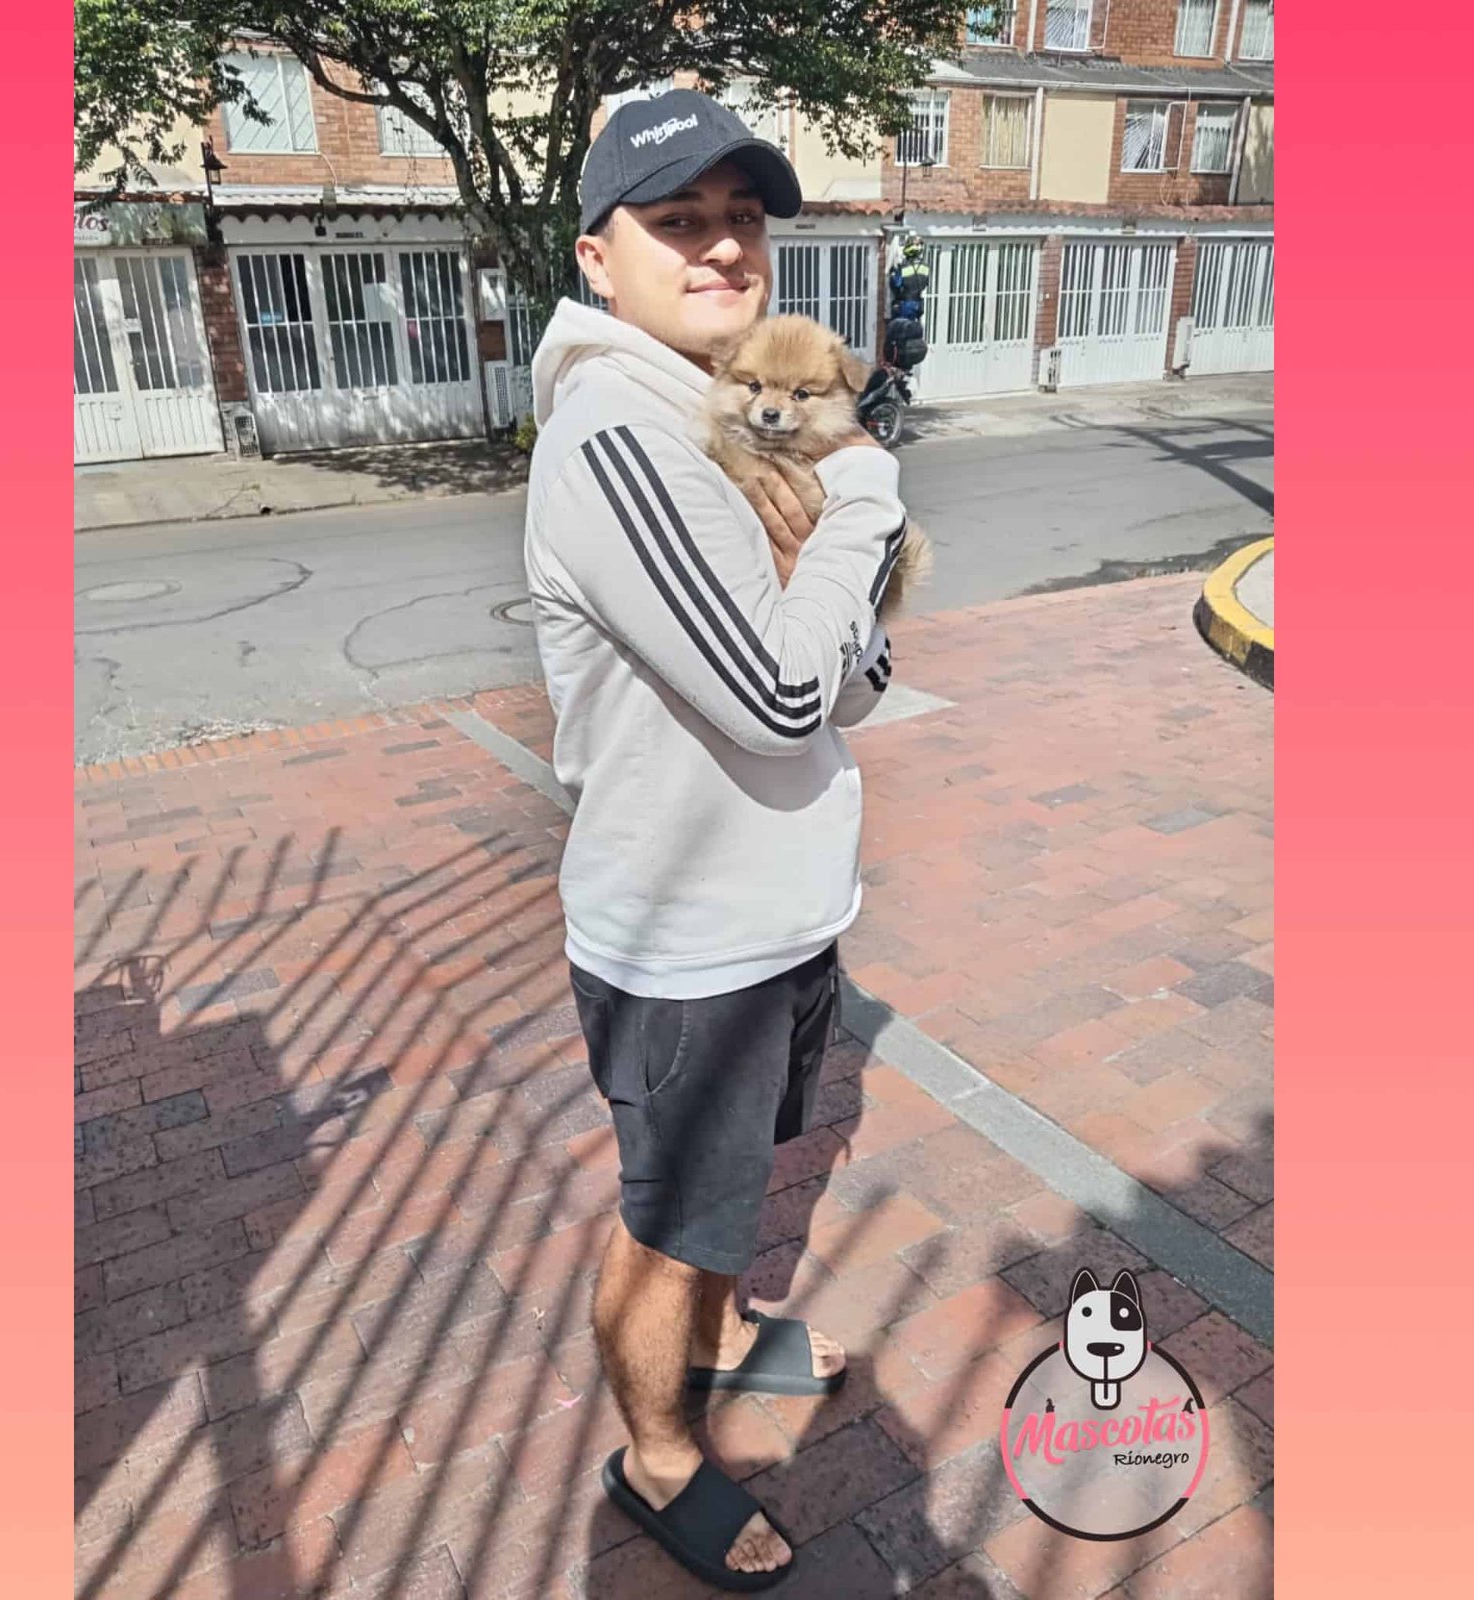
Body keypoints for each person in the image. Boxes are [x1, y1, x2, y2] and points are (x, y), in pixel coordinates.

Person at [522, 88, 909, 1591]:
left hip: (780, 904)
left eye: (741, 218)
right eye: (677, 221)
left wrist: (845, 585)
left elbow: (848, 683)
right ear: (597, 256)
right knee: (670, 1222)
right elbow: (780, 693)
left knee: (728, 1203)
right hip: (688, 936)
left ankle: (726, 1333)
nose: (723, 247)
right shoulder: (619, 432)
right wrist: (866, 497)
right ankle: (658, 1459)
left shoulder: (710, 413)